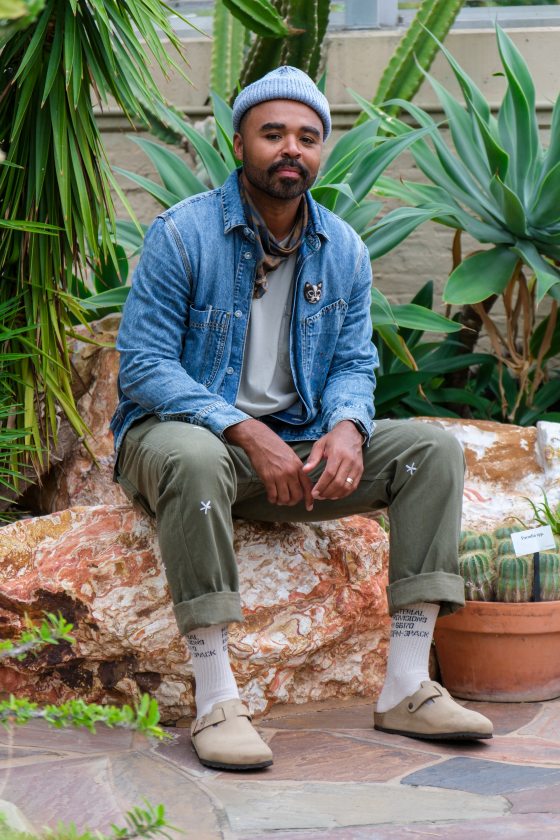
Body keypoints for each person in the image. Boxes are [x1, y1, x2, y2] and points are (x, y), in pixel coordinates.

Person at [110, 66, 493, 771]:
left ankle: (408, 683)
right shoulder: (183, 235)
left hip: (296, 449)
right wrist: (244, 429)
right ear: (239, 145)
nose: (291, 148)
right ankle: (218, 698)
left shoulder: (341, 246)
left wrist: (347, 426)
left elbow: (354, 362)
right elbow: (144, 366)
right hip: (189, 442)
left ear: (322, 152)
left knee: (430, 450)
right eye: (273, 133)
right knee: (194, 457)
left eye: (307, 137)